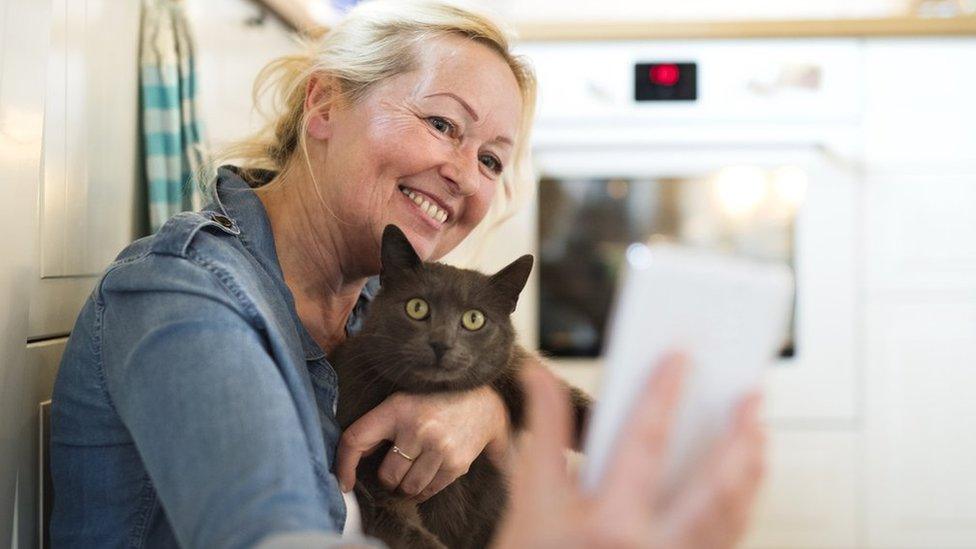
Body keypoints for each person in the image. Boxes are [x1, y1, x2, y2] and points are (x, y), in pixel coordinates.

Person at [49, 1, 765, 547]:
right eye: (444, 124)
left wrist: (480, 402)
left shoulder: (374, 307)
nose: (463, 174)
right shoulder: (185, 296)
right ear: (324, 103)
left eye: (491, 159)